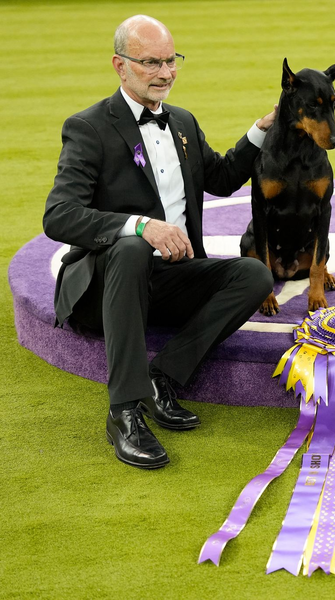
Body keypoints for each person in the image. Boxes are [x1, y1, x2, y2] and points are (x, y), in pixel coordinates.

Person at [43, 15, 275, 470]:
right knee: (131, 247)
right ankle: (124, 412)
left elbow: (224, 178)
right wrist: (140, 226)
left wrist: (261, 130)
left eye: (171, 61)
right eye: (151, 62)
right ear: (119, 65)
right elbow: (58, 215)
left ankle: (162, 377)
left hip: (170, 282)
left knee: (254, 274)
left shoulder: (183, 121)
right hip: (105, 289)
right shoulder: (88, 128)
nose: (165, 72)